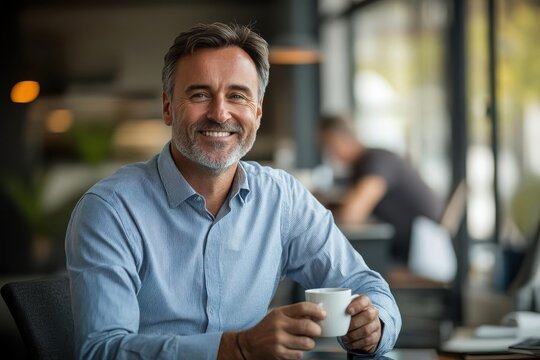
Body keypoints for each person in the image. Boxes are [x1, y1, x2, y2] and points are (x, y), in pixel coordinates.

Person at [65, 23, 401, 359]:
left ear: (257, 112)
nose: (220, 113)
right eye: (199, 94)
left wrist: (374, 327)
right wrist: (235, 348)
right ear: (168, 107)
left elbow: (367, 286)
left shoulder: (282, 198)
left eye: (237, 95)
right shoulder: (110, 210)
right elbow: (101, 351)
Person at [318, 114, 444, 264]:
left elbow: (353, 212)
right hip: (409, 247)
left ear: (342, 139)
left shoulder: (376, 162)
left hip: (423, 253)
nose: (328, 153)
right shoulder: (364, 164)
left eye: (328, 145)